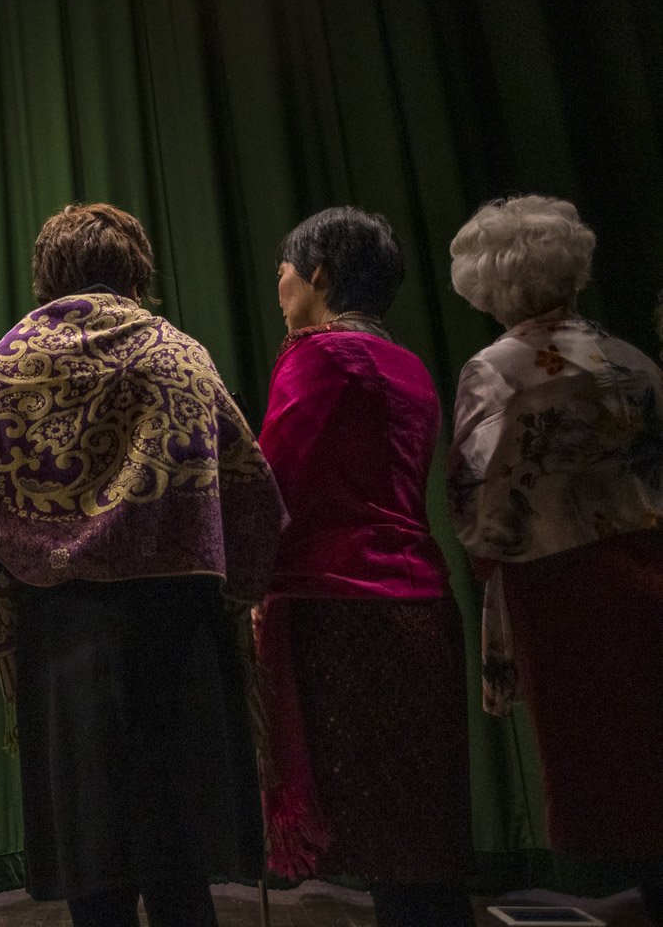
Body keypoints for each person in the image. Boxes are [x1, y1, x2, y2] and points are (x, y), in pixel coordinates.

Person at [0, 204, 283, 927]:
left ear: (48, 273)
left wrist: (35, 573)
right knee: (178, 866)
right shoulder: (180, 354)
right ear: (137, 271)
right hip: (178, 633)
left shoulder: (12, 359)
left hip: (64, 634)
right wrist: (237, 588)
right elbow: (252, 491)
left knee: (92, 867)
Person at [255, 207, 473, 926]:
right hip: (420, 603)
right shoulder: (407, 364)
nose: (278, 286)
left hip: (342, 612)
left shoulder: (318, 356)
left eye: (286, 271)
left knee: (383, 835)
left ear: (320, 275)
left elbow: (273, 487)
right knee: (418, 832)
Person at [447, 196, 663, 920]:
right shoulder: (632, 361)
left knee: (598, 774)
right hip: (648, 569)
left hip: (561, 585)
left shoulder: (499, 370)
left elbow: (479, 498)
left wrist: (494, 549)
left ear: (489, 283)